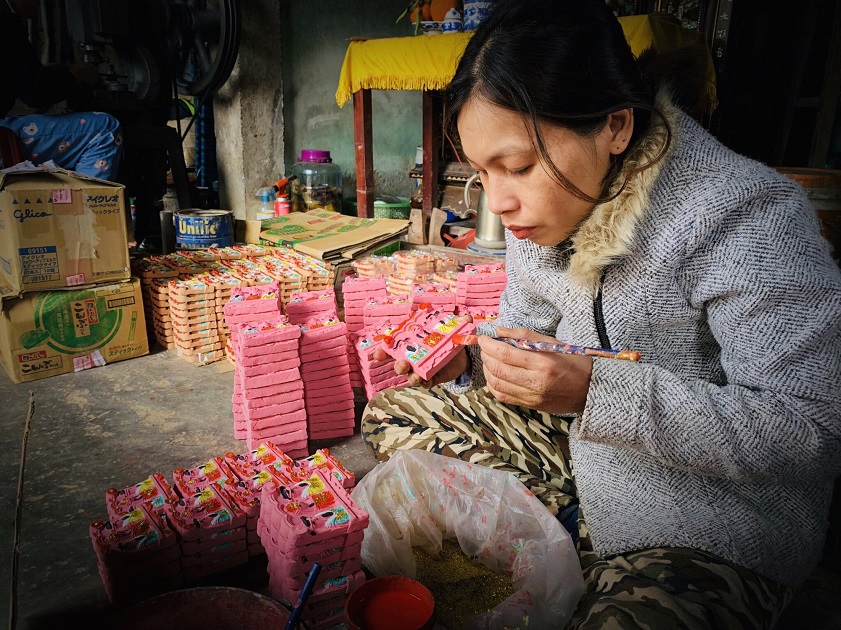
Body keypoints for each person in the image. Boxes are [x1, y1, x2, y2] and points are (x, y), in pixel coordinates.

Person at [361, 0, 841, 627]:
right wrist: (471, 360)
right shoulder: (541, 216)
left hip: (710, 514)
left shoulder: (749, 219)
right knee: (393, 409)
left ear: (615, 126)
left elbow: (811, 432)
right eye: (482, 172)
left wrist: (595, 392)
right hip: (586, 448)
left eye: (520, 167)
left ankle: (575, 538)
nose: (500, 201)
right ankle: (570, 524)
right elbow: (523, 328)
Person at [0, 0, 122, 180]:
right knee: (103, 128)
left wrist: (56, 73)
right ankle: (87, 206)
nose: (37, 6)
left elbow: (22, 79)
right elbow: (36, 93)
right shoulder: (4, 22)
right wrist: (75, 75)